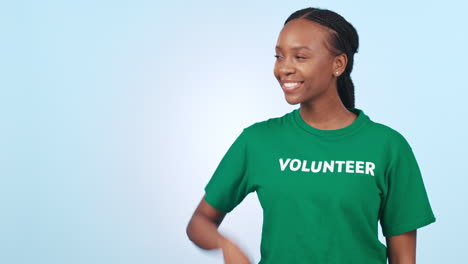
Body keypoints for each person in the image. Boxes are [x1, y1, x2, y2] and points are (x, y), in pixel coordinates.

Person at [186, 7, 436, 264]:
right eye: (279, 56)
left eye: (300, 57)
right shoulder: (258, 141)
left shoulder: (388, 146)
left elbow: (404, 258)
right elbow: (199, 222)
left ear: (338, 64)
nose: (284, 68)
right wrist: (227, 246)